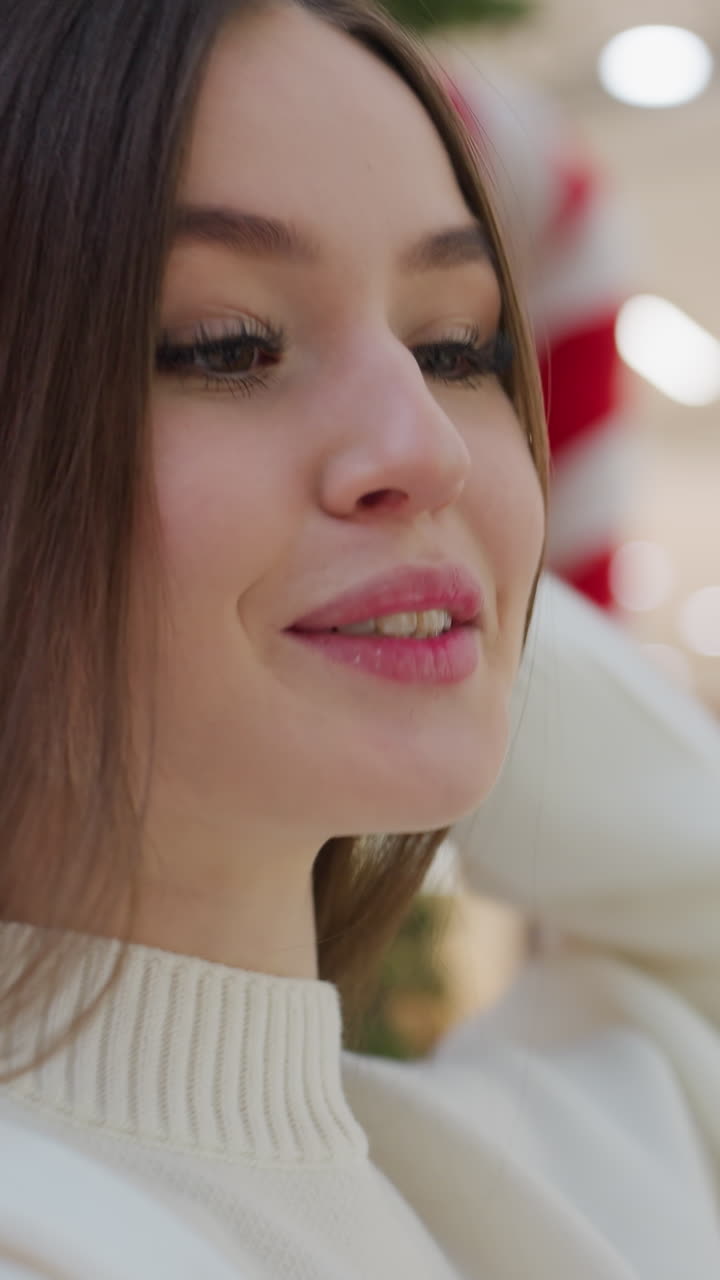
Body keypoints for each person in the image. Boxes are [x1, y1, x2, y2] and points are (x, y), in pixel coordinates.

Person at [0, 3, 718, 1279]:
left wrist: (447, 601)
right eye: (225, 345)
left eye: (454, 348)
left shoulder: (562, 1174)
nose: (431, 447)